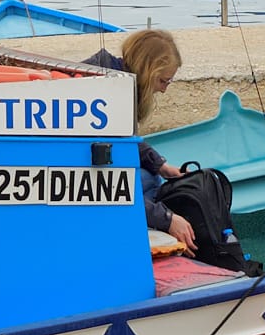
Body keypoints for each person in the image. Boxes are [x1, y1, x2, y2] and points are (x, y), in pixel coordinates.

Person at [82, 28, 197, 249]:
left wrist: (161, 166)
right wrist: (168, 219)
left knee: (152, 175)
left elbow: (126, 139)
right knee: (149, 181)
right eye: (163, 81)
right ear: (148, 71)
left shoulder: (109, 79)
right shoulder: (109, 98)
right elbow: (111, 185)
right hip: (83, 189)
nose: (163, 90)